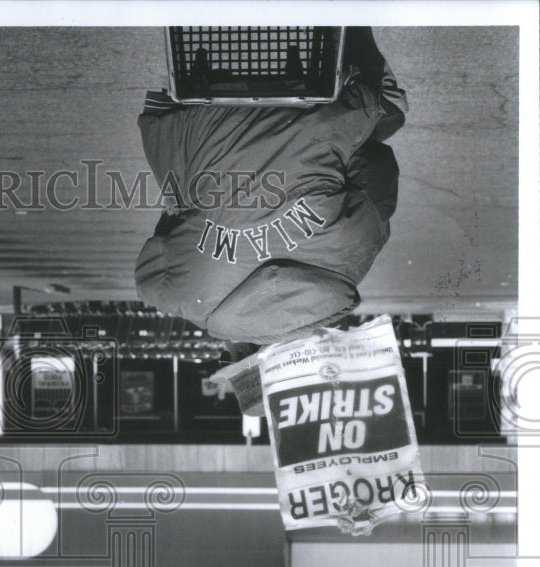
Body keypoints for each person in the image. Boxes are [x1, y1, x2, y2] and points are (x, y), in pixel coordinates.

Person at [135, 27, 408, 347]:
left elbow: (378, 165)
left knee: (386, 111)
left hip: (308, 110)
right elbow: (157, 246)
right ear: (231, 349)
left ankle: (347, 21)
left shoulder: (348, 266)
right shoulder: (177, 295)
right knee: (182, 191)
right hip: (195, 116)